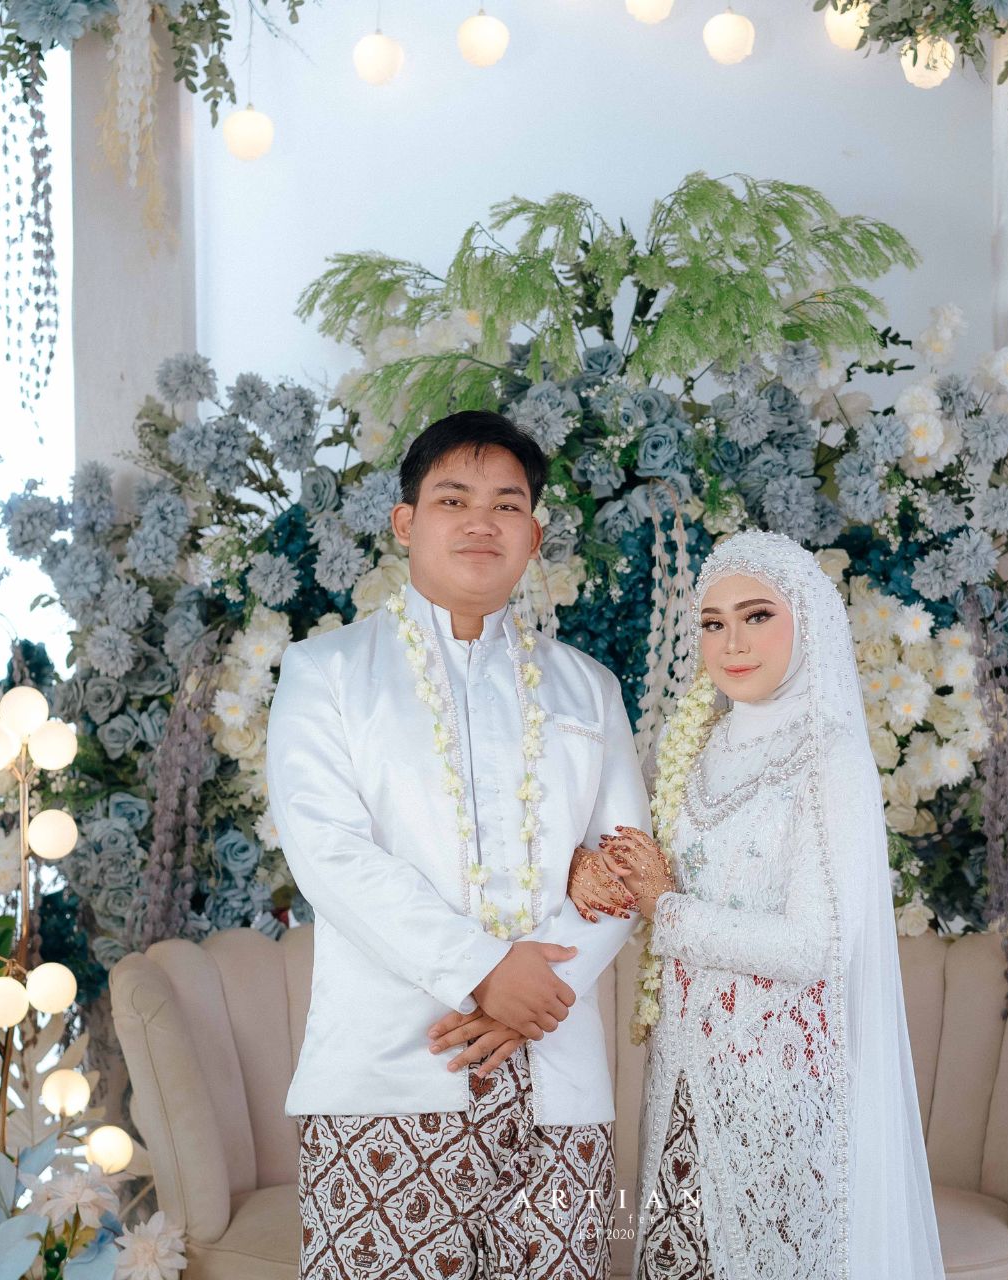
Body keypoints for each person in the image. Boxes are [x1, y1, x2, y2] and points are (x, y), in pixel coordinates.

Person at [265, 410, 648, 1280]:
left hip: (557, 1082)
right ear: (406, 523)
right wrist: (485, 973)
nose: (482, 522)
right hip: (387, 1079)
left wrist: (532, 998)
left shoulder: (588, 689)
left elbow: (625, 868)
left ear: (534, 536)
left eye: (508, 505)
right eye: (453, 499)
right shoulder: (328, 674)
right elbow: (331, 855)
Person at [570, 529, 944, 1279]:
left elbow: (817, 947)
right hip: (680, 1079)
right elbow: (635, 858)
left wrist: (668, 909)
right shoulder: (697, 745)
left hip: (778, 1091)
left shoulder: (828, 755)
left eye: (758, 616)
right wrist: (585, 865)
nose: (732, 643)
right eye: (713, 623)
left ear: (807, 621)